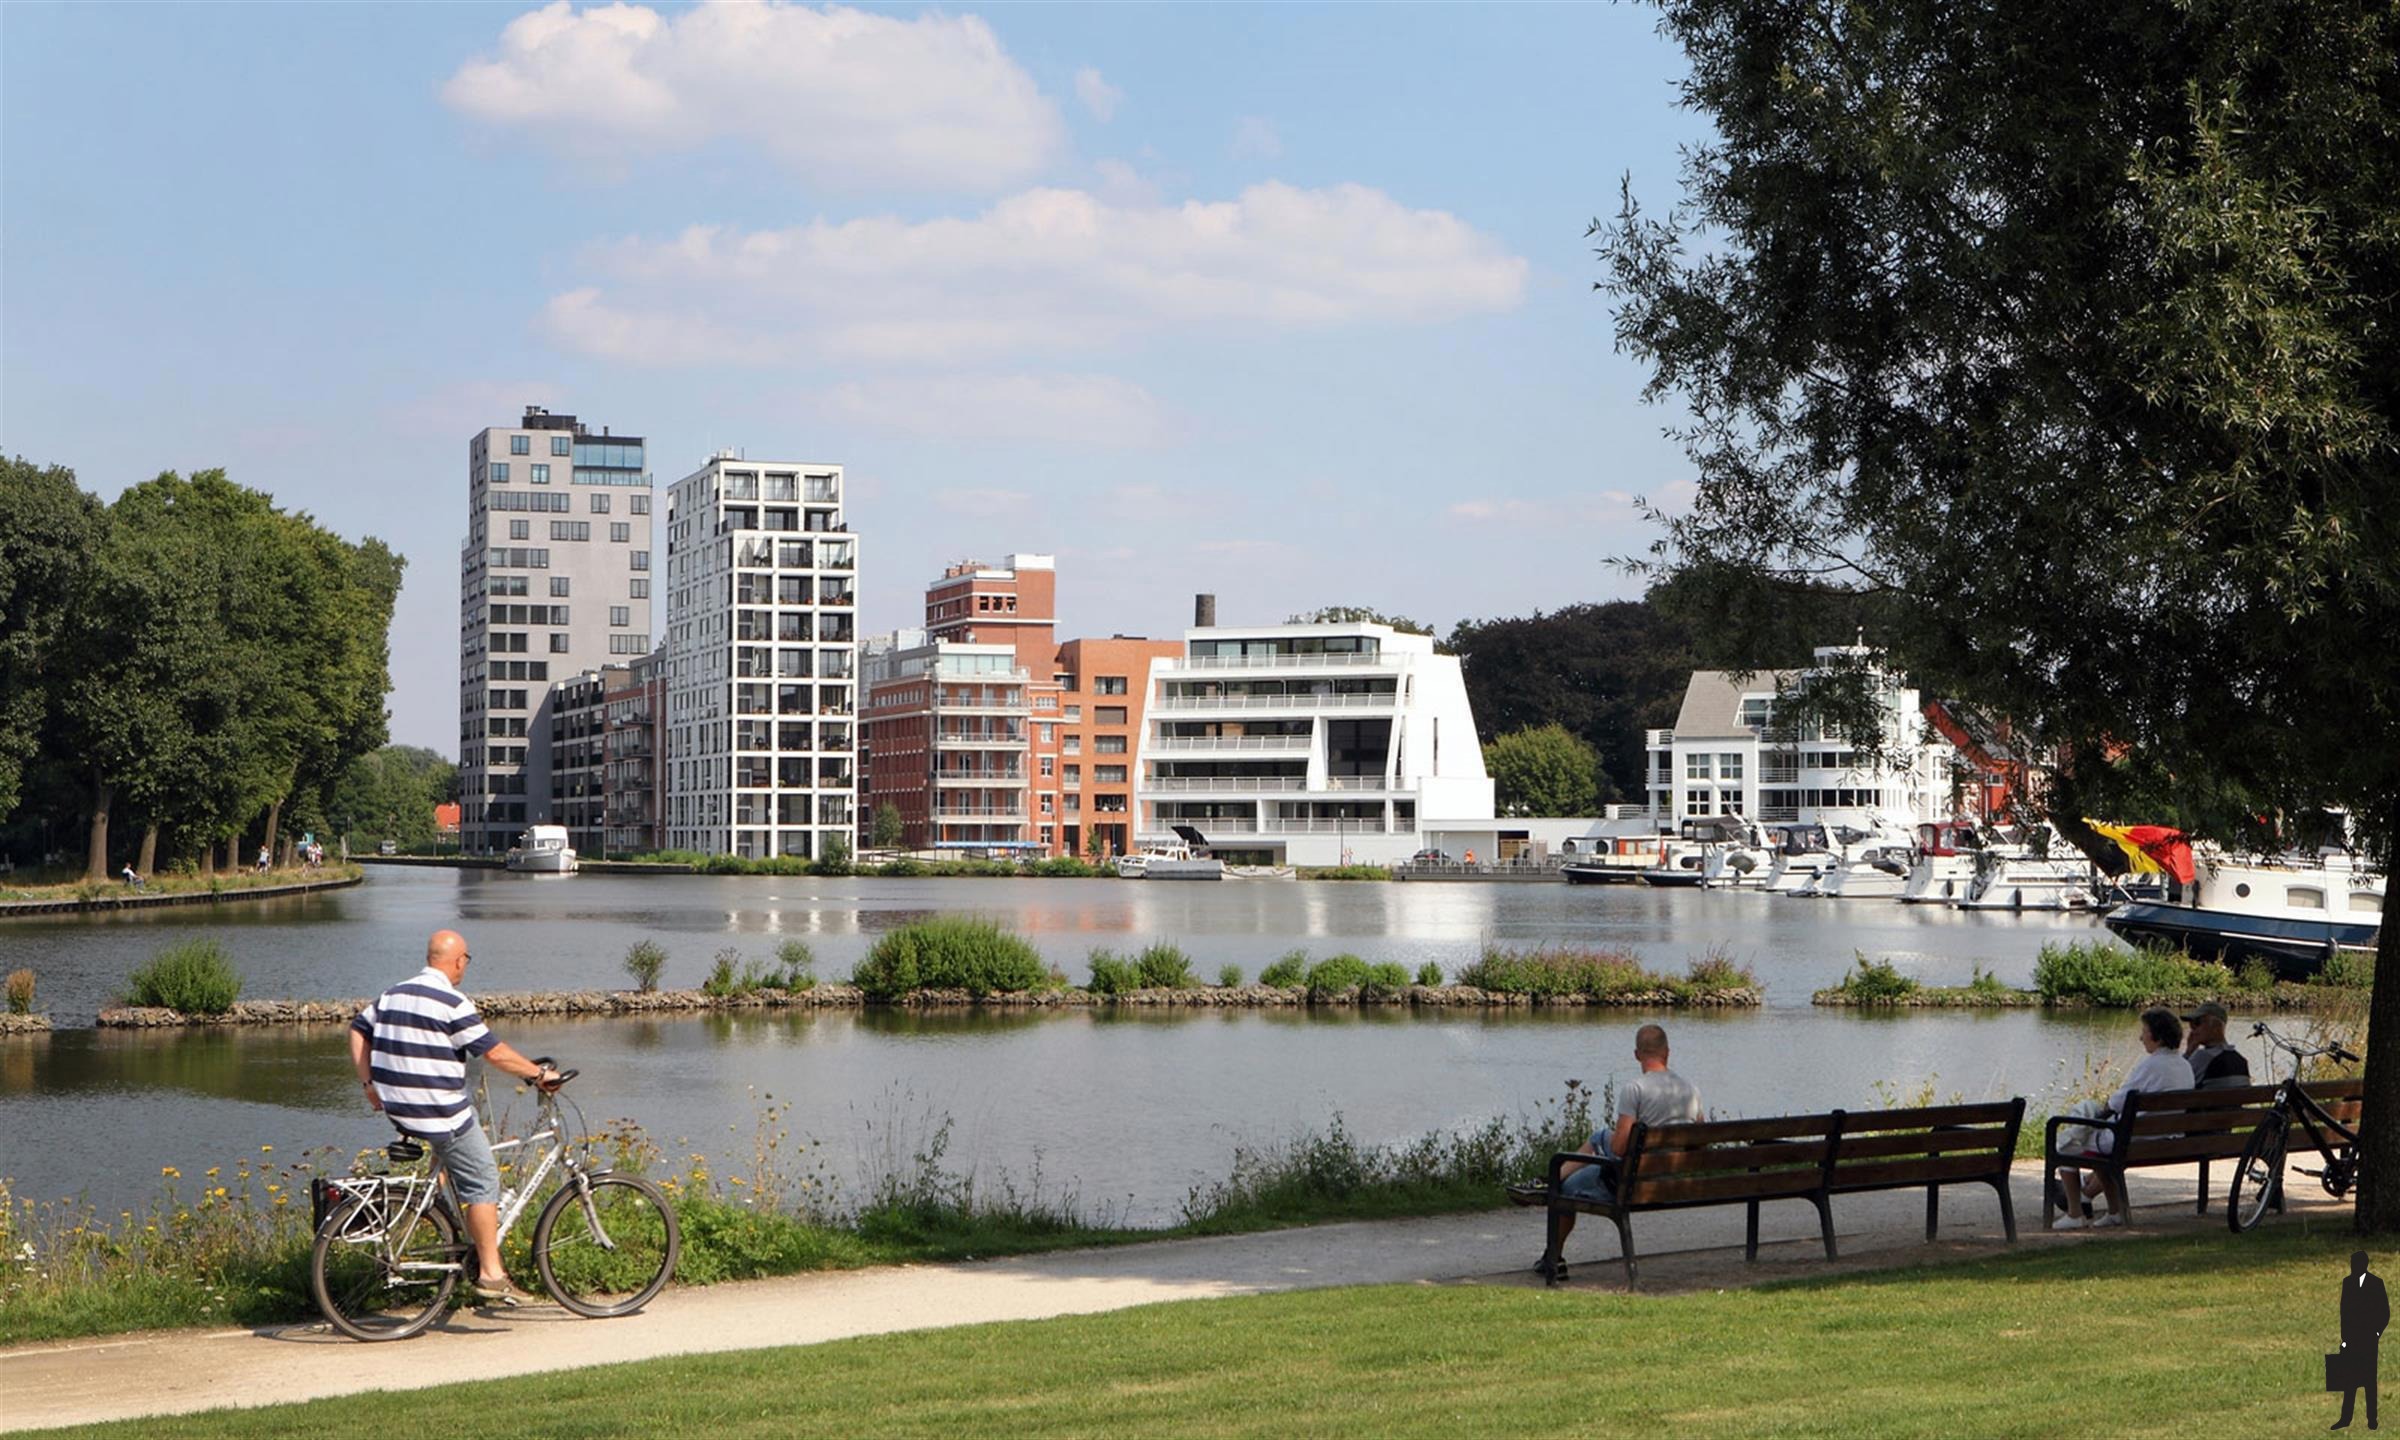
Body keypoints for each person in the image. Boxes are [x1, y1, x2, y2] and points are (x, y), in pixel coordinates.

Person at [349, 929, 559, 1307]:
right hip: (438, 1113)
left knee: (451, 1163)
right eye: (466, 960)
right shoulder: (452, 1001)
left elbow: (358, 1029)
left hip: (400, 1108)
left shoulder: (394, 992)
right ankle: (491, 1274)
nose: (465, 966)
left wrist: (368, 1083)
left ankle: (450, 1230)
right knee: (483, 1179)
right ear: (458, 961)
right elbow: (493, 1053)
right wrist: (538, 1074)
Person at [1521, 1024, 1703, 1272]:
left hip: (1631, 1184)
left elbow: (1618, 1148)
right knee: (1599, 1137)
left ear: (1637, 1054)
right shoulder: (1690, 1089)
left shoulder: (1635, 1089)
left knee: (1564, 1189)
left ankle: (1553, 1254)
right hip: (1669, 1181)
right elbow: (1700, 1141)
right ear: (1667, 1053)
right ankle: (1552, 1180)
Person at [2053, 1007, 2195, 1229]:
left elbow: (2116, 1102)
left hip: (2133, 1141)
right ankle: (2114, 1211)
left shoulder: (2150, 1065)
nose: (2140, 1037)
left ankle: (2075, 1213)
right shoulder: (2185, 1066)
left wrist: (2099, 1115)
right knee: (2090, 1128)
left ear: (2156, 1035)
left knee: (2070, 1142)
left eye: (2144, 1031)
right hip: (2168, 1138)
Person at [2335, 1249, 2387, 1431]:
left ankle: (2372, 1418)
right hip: (2352, 1338)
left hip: (2369, 1339)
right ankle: (2345, 1418)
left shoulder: (2376, 1283)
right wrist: (2344, 1338)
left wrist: (2377, 1333)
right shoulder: (2347, 1283)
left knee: (2369, 1381)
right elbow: (2344, 1312)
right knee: (2350, 1380)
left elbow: (2384, 1311)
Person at [2182, 1001, 2252, 1089]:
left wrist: (2188, 1053)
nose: (2192, 1030)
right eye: (2191, 1026)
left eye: (2197, 1023)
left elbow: (2176, 1080)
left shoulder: (2203, 1057)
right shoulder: (2240, 1060)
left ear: (2216, 1027)